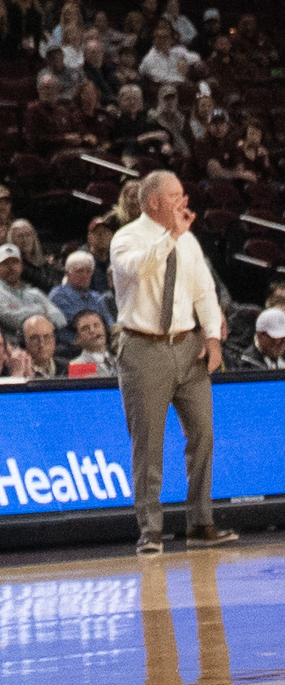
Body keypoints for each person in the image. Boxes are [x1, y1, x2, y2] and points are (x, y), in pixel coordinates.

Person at [111, 169, 235, 555]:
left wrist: (212, 337)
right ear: (153, 202)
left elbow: (204, 293)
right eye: (176, 195)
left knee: (203, 434)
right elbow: (142, 268)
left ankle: (200, 522)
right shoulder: (125, 238)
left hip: (187, 346)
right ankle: (150, 530)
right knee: (148, 443)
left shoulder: (190, 242)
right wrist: (172, 237)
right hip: (143, 348)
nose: (184, 201)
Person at [0, 243, 65, 341]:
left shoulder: (34, 292)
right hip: (17, 345)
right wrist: (41, 310)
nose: (11, 267)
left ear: (21, 266)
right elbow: (15, 321)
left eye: (15, 262)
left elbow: (61, 319)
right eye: (5, 263)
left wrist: (30, 315)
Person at [50, 251, 114, 329]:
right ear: (67, 273)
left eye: (88, 271)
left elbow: (109, 322)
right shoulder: (58, 296)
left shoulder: (97, 297)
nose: (84, 275)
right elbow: (71, 326)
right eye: (79, 271)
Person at [229, 307, 285, 372]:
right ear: (260, 335)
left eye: (283, 340)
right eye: (274, 340)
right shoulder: (244, 364)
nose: (279, 344)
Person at [70, 309, 117, 377]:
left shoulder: (120, 359)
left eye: (96, 325)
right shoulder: (78, 365)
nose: (92, 331)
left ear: (104, 328)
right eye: (85, 328)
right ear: (77, 339)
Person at [21, 314, 61, 379]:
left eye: (46, 337)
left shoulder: (68, 368)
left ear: (54, 339)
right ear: (25, 342)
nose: (41, 344)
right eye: (35, 338)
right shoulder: (21, 371)